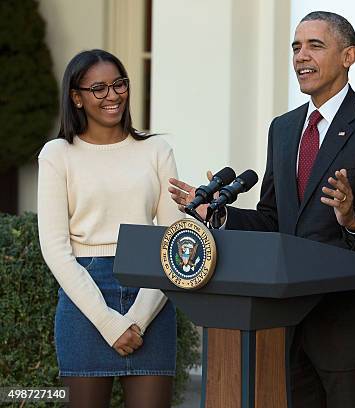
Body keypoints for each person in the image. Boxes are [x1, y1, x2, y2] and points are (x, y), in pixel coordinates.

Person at [169, 11, 355, 408]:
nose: (301, 56)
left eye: (315, 46)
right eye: (296, 47)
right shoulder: (282, 130)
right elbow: (273, 219)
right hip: (288, 327)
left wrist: (353, 219)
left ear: (349, 55)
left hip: (352, 334)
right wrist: (218, 215)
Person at [37, 49, 182, 408]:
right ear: (76, 97)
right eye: (98, 88)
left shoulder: (156, 150)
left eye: (118, 84)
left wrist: (138, 318)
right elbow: (55, 249)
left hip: (152, 290)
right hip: (85, 297)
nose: (112, 95)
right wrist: (108, 322)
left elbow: (175, 240)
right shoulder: (57, 154)